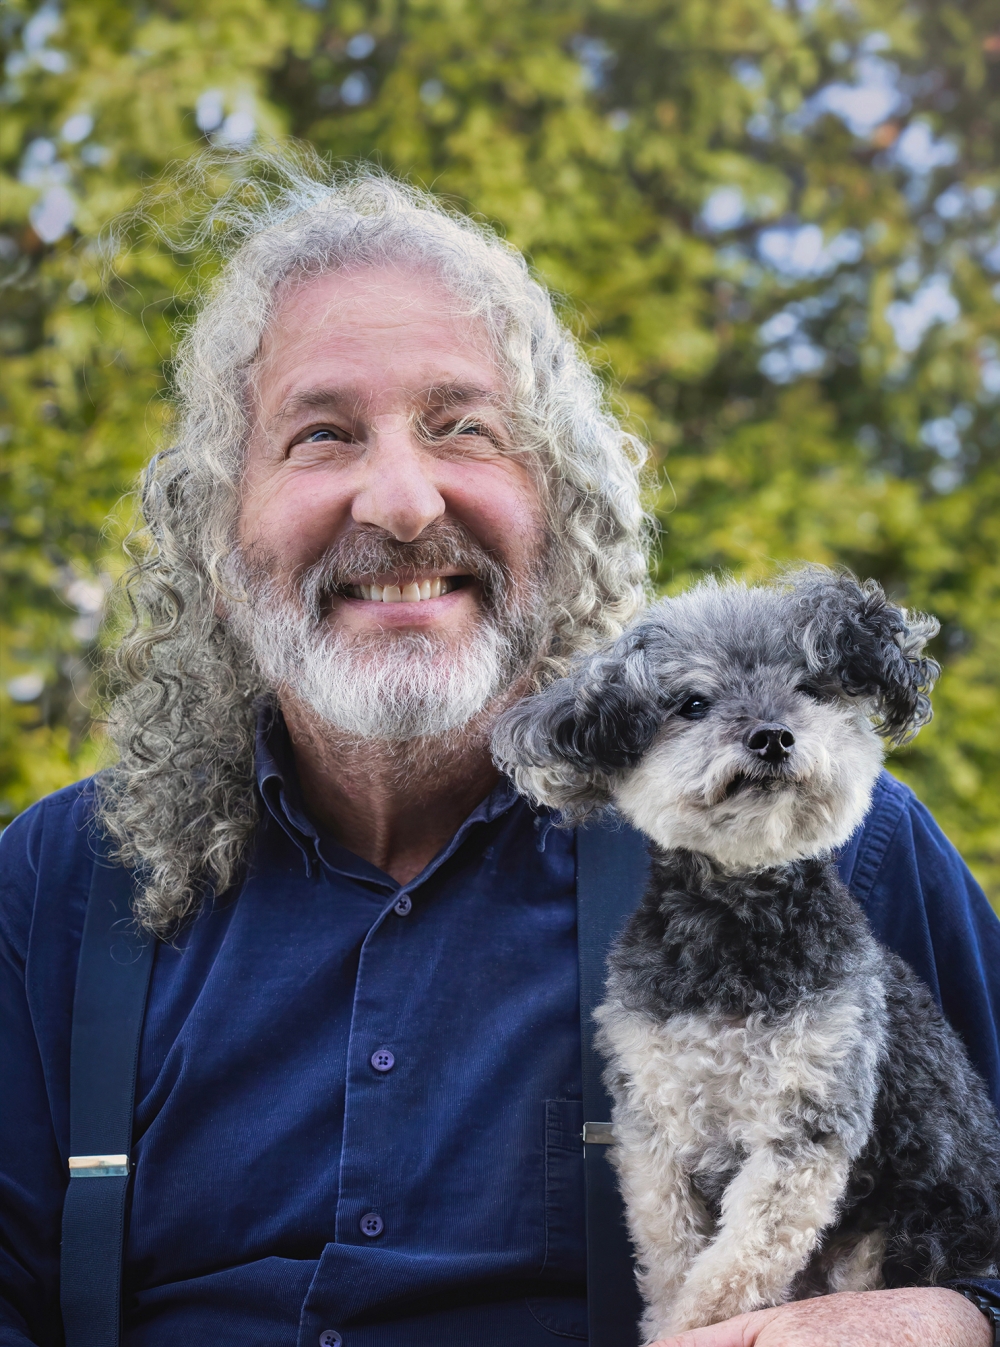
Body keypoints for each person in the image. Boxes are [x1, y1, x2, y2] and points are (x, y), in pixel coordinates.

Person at [2, 161, 998, 1347]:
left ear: (563, 511)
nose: (404, 502)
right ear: (221, 544)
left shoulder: (828, 850)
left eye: (461, 428)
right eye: (321, 435)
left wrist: (959, 1320)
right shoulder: (56, 882)